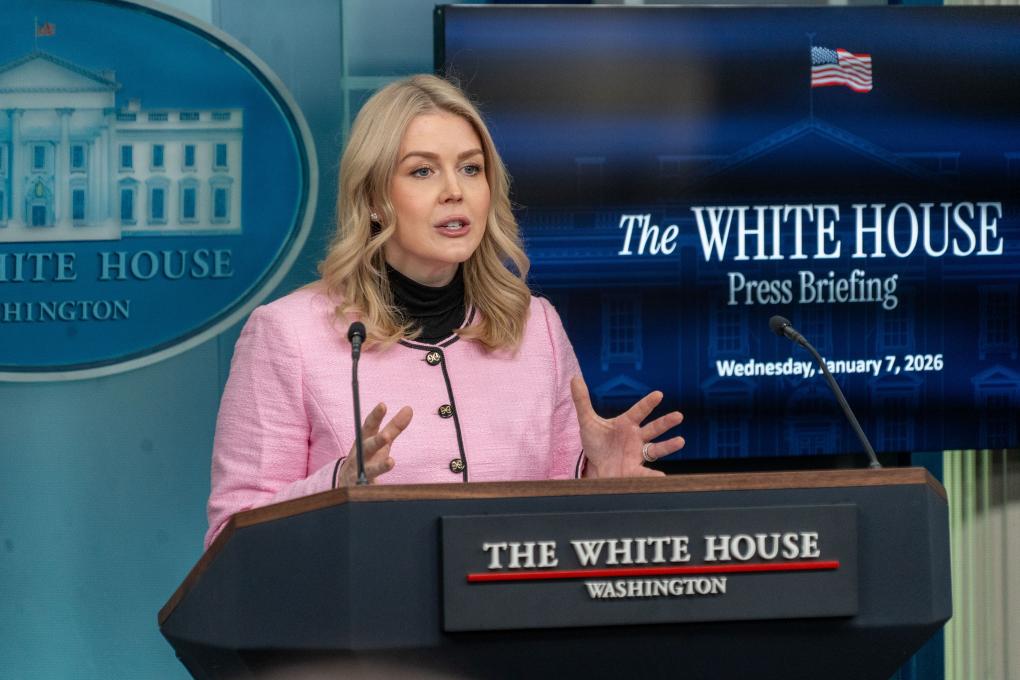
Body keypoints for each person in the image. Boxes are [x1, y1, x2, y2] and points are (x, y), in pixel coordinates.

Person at [204, 75, 685, 549]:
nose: (455, 190)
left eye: (471, 169)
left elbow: (558, 521)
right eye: (422, 171)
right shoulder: (287, 333)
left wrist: (596, 477)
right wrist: (336, 487)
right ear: (373, 199)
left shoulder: (535, 325)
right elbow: (229, 537)